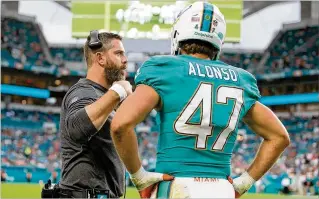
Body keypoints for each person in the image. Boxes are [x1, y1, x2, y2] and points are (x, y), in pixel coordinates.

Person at [110, 2, 290, 198]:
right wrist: (244, 182)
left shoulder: (165, 69)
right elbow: (279, 137)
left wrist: (140, 177)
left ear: (179, 33)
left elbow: (120, 124)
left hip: (176, 186)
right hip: (221, 190)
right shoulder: (240, 80)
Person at [58, 30, 132, 198]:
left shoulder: (103, 98)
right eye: (119, 53)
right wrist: (118, 91)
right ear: (100, 58)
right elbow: (77, 128)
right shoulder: (83, 92)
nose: (125, 60)